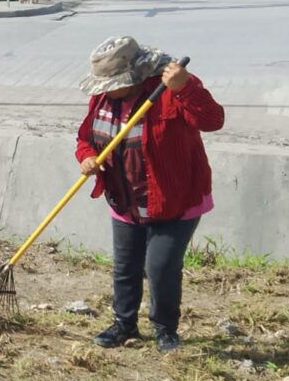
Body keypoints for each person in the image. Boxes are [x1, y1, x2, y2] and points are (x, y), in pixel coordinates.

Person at [75, 37, 224, 354]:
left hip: (175, 199)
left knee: (160, 267)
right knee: (125, 267)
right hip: (126, 201)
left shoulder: (170, 89)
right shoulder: (102, 99)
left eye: (112, 84)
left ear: (132, 76)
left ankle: (165, 330)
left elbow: (213, 120)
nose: (106, 91)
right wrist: (87, 157)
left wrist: (185, 88)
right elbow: (85, 138)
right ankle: (124, 324)